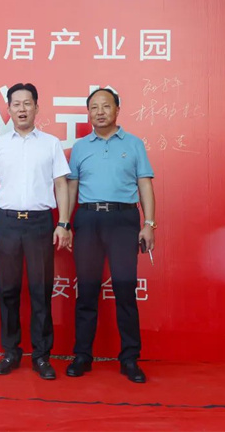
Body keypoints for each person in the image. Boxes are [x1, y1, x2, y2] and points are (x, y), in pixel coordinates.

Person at [0, 83, 72, 380]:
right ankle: (11, 351)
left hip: (40, 223)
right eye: (16, 104)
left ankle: (42, 356)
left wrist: (63, 223)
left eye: (27, 103)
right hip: (6, 223)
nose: (22, 109)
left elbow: (61, 184)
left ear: (36, 107)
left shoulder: (50, 144)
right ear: (9, 109)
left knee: (40, 290)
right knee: (7, 290)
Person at [65, 87, 156, 383]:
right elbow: (72, 187)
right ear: (88, 113)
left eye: (105, 106)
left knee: (125, 291)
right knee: (87, 291)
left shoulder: (134, 144)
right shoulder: (80, 147)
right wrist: (65, 223)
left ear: (117, 109)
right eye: (94, 107)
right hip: (88, 219)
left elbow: (144, 184)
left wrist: (149, 223)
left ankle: (130, 358)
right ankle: (82, 355)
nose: (100, 112)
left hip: (123, 220)